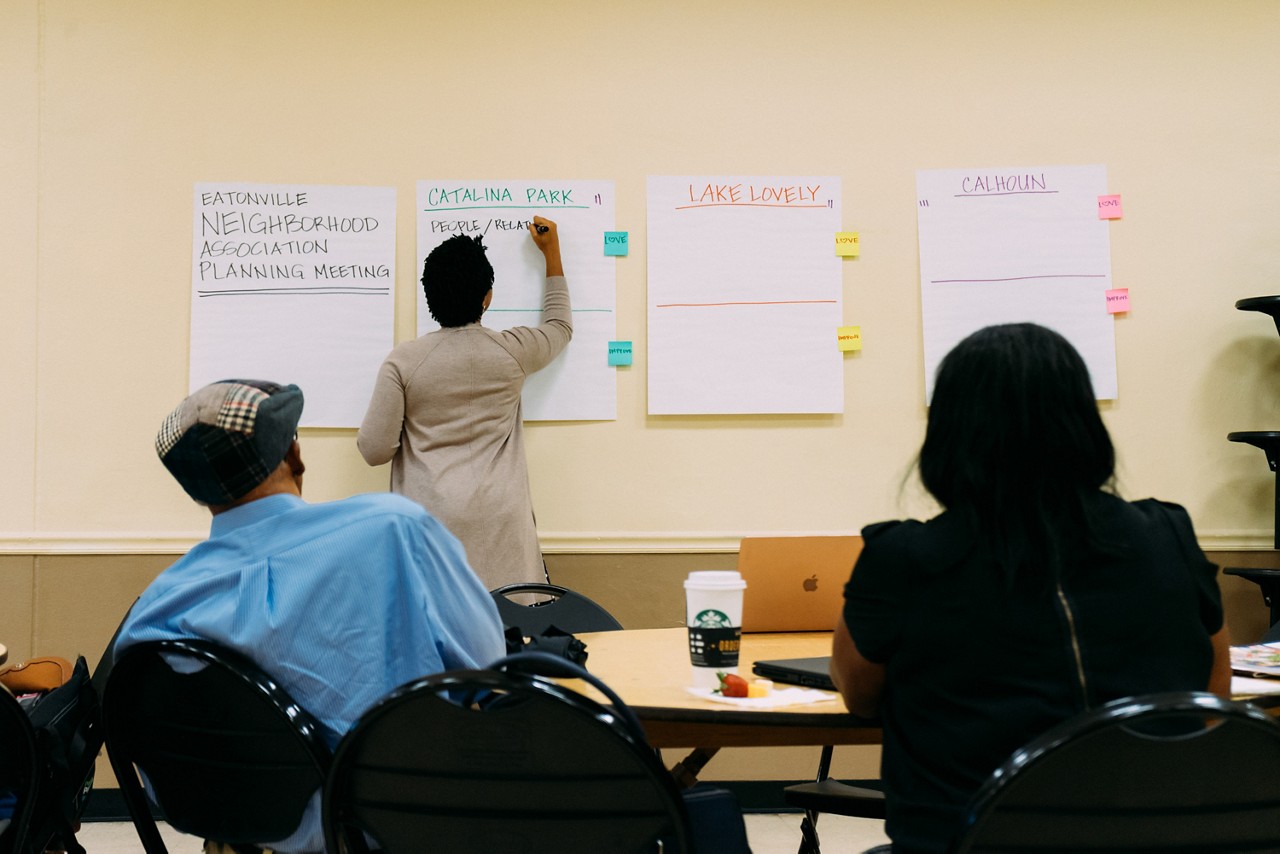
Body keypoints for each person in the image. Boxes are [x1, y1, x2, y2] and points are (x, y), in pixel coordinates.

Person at [830, 323, 1230, 854]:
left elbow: (858, 695)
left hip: (973, 842)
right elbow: (1213, 692)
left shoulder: (904, 559)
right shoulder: (1167, 536)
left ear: (949, 433)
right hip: (1161, 841)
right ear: (1085, 426)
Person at [114, 379, 506, 854]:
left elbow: (165, 776)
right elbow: (487, 669)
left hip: (242, 835)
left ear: (197, 492)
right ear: (294, 456)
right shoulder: (394, 530)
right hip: (388, 829)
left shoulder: (153, 615)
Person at [358, 216, 570, 590]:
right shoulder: (512, 351)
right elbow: (559, 326)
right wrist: (552, 252)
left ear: (430, 297)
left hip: (429, 523)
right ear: (487, 297)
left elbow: (375, 450)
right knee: (506, 633)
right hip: (501, 522)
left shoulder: (403, 362)